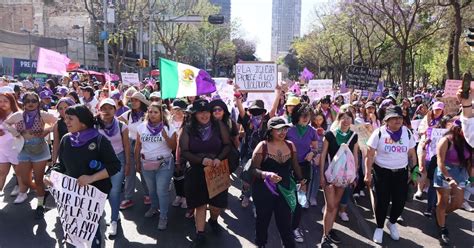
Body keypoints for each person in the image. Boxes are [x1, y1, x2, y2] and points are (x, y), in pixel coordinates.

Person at [44, 104, 120, 248]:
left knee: (93, 230)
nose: (66, 122)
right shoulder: (66, 139)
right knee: (73, 231)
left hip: (94, 194)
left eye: (70, 119)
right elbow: (62, 165)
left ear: (83, 123)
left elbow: (114, 166)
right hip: (72, 194)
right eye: (65, 118)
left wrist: (91, 178)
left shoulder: (100, 140)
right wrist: (50, 175)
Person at [179, 99, 231, 247]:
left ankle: (213, 220)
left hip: (217, 169)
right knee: (200, 204)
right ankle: (200, 234)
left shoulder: (218, 125)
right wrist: (201, 161)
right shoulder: (188, 128)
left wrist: (219, 159)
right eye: (200, 112)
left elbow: (227, 145)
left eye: (207, 111)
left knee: (217, 205)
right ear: (194, 114)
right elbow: (185, 151)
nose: (205, 115)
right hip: (196, 170)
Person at [248, 116, 305, 248]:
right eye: (278, 130)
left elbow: (296, 166)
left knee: (285, 224)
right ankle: (261, 244)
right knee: (263, 221)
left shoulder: (290, 146)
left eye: (284, 129)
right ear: (270, 131)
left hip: (285, 190)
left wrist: (302, 181)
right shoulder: (262, 146)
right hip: (263, 190)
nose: (282, 132)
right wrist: (265, 174)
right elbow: (252, 170)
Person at [364, 106, 417, 244]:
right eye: (394, 118)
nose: (398, 120)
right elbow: (369, 155)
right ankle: (380, 227)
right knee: (382, 202)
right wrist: (367, 173)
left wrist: (415, 172)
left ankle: (392, 222)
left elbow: (412, 154)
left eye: (400, 117)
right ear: (387, 120)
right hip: (382, 173)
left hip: (401, 173)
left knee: (400, 202)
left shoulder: (408, 133)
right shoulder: (379, 133)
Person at [3, 92, 57, 218]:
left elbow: (57, 121)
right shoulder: (18, 115)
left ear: (38, 103)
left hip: (40, 150)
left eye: (34, 101)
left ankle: (40, 204)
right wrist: (15, 133)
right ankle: (42, 191)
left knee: (38, 179)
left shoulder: (43, 114)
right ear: (24, 103)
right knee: (25, 179)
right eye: (27, 101)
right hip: (23, 149)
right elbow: (6, 124)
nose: (31, 103)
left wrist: (47, 131)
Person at [319, 109, 359, 247]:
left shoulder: (354, 136)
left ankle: (328, 232)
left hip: (344, 177)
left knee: (335, 205)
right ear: (339, 119)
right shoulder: (330, 135)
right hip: (330, 176)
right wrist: (321, 176)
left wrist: (354, 176)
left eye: (349, 118)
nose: (346, 120)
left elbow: (355, 157)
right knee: (330, 206)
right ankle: (325, 236)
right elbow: (323, 155)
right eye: (344, 117)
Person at [135, 102, 177, 230]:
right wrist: (137, 162)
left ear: (161, 114)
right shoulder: (141, 127)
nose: (152, 114)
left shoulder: (169, 127)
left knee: (161, 190)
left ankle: (163, 216)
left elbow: (173, 147)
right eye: (151, 112)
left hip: (164, 164)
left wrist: (166, 137)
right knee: (151, 190)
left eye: (156, 112)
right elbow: (138, 145)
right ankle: (154, 207)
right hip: (146, 163)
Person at [433, 118, 472, 245]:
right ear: (457, 129)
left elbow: (470, 163)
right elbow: (440, 162)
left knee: (457, 202)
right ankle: (442, 229)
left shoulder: (469, 141)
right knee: (443, 202)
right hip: (445, 172)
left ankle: (440, 214)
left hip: (460, 173)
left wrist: (471, 178)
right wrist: (448, 178)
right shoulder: (446, 140)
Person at [96, 98, 131, 235]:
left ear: (115, 110)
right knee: (101, 191)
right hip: (100, 163)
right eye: (103, 108)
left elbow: (127, 146)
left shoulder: (122, 126)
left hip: (118, 160)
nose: (107, 111)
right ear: (99, 110)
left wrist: (128, 164)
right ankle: (102, 217)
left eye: (110, 108)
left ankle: (114, 220)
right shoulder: (95, 125)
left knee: (115, 191)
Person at [285, 103, 318, 243]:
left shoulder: (312, 131)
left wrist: (312, 152)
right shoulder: (288, 130)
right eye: (303, 115)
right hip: (288, 167)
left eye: (308, 115)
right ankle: (284, 225)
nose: (305, 118)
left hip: (304, 168)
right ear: (297, 116)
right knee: (287, 198)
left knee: (299, 199)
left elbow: (316, 148)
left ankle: (294, 227)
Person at [118, 92, 151, 208]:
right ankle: (128, 198)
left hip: (144, 145)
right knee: (129, 172)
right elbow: (115, 121)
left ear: (141, 102)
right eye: (132, 100)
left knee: (143, 170)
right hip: (130, 143)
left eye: (136, 100)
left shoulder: (148, 114)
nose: (133, 102)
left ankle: (148, 194)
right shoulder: (128, 115)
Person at [0, 92, 21, 197]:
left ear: (11, 102)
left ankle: (22, 192)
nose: (2, 103)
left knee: (19, 173)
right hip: (2, 150)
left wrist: (9, 129)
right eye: (0, 101)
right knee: (1, 173)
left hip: (15, 149)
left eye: (5, 101)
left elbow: (22, 132)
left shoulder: (18, 114)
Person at [51, 98, 76, 164]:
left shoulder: (80, 121)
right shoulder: (57, 124)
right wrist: (54, 161)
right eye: (60, 108)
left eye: (66, 107)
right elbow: (56, 143)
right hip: (65, 155)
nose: (63, 111)